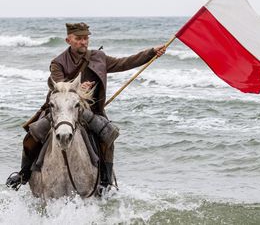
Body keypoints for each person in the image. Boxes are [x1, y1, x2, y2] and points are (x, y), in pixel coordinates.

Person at [6, 22, 166, 191]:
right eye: (79, 38)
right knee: (32, 135)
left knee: (108, 135)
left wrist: (151, 53)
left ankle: (105, 181)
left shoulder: (98, 57)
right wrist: (78, 89)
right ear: (68, 40)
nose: (83, 42)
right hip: (61, 110)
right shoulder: (57, 63)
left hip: (87, 111)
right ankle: (23, 174)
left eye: (85, 38)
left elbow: (124, 63)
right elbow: (60, 87)